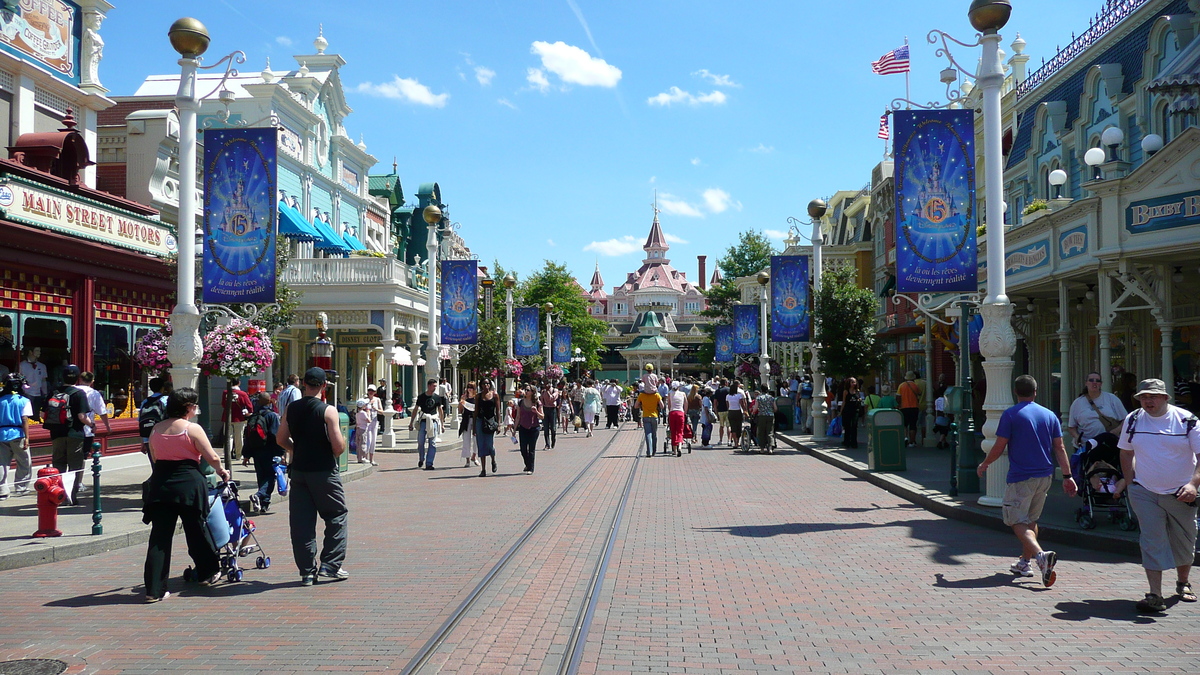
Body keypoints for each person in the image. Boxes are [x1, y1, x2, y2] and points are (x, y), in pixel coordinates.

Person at [976, 375, 1076, 588]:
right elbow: (1060, 447)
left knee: (1016, 521)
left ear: (1016, 392)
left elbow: (999, 445)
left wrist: (985, 463)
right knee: (1031, 520)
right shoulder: (1049, 415)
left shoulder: (1011, 415)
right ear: (1035, 391)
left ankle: (1041, 556)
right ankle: (1024, 563)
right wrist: (1067, 476)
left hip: (1022, 477)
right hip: (1045, 476)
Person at [1113, 378, 1200, 613]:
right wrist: (1131, 483)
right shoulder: (1133, 419)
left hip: (1181, 493)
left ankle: (1183, 583)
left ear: (1164, 398)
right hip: (1144, 490)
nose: (1147, 401)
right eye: (1142, 397)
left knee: (1185, 539)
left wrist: (1193, 484)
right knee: (1152, 540)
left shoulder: (1187, 420)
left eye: (1152, 396)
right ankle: (1155, 595)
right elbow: (1125, 451)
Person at [143, 387, 230, 602]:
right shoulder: (192, 429)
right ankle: (207, 572)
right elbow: (212, 457)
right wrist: (221, 471)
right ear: (189, 407)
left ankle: (154, 589)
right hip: (189, 483)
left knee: (160, 537)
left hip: (162, 483)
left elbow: (155, 457)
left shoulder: (156, 429)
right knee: (196, 530)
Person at [276, 367, 349, 586]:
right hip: (324, 471)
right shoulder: (328, 411)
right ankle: (330, 564)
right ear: (324, 386)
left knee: (301, 523)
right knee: (336, 515)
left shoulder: (292, 408)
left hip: (299, 471)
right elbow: (338, 447)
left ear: (304, 384)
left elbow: (280, 439)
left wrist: (294, 450)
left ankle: (307, 571)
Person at [46, 365, 91, 503]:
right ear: (78, 378)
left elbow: (43, 413)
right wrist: (92, 425)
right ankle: (71, 496)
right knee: (74, 466)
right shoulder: (78, 394)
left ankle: (58, 494)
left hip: (57, 433)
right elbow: (82, 416)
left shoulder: (53, 392)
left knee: (58, 464)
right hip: (75, 434)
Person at [243, 392, 283, 514]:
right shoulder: (272, 416)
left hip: (256, 451)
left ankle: (263, 504)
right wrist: (281, 453)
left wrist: (246, 455)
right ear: (269, 401)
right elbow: (275, 435)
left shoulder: (253, 416)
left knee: (261, 477)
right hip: (269, 451)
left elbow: (248, 437)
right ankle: (260, 496)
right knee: (270, 477)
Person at [1067, 371, 1127, 448]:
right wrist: (1077, 436)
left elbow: (1126, 420)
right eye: (1091, 380)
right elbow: (1071, 427)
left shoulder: (1112, 399)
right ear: (1086, 383)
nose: (1094, 383)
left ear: (1101, 384)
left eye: (1097, 381)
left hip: (1109, 444)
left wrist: (1115, 431)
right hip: (1086, 445)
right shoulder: (1077, 403)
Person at [0, 374, 32, 498]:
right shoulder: (24, 400)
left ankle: (2, 490)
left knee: (2, 463)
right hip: (18, 434)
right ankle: (21, 487)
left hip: (1, 434)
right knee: (24, 461)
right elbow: (25, 419)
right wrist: (27, 437)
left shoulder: (0, 400)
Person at [409, 379, 447, 471]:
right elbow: (416, 409)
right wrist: (411, 422)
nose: (435, 388)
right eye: (433, 386)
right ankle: (422, 458)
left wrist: (442, 424)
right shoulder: (421, 397)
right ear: (429, 386)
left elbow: (440, 411)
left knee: (432, 443)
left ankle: (429, 463)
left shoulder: (437, 397)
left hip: (433, 421)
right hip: (423, 421)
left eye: (435, 386)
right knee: (421, 442)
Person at [76, 371, 111, 445]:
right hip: (86, 430)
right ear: (92, 381)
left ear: (80, 379)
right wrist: (107, 426)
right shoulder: (94, 393)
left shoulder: (72, 390)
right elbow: (102, 412)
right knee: (84, 454)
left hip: (68, 430)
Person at [474, 380, 501, 477]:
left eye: (488, 383)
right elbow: (476, 411)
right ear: (481, 385)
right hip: (480, 421)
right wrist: (474, 427)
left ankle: (493, 460)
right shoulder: (478, 396)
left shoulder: (495, 395)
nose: (486, 385)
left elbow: (498, 410)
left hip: (490, 421)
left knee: (490, 445)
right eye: (484, 384)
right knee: (481, 445)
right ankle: (483, 469)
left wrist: (499, 424)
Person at [516, 385, 543, 474]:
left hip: (534, 428)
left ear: (532, 392)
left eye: (528, 390)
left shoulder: (537, 402)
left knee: (531, 449)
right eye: (525, 389)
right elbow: (518, 416)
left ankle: (531, 468)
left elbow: (542, 416)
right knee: (523, 449)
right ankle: (528, 464)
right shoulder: (521, 402)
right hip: (523, 427)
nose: (526, 391)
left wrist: (536, 412)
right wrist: (514, 428)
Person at [222, 383, 253, 461]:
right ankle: (239, 455)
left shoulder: (225, 392)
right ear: (239, 383)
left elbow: (223, 404)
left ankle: (227, 454)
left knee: (228, 437)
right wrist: (249, 412)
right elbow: (249, 406)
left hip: (227, 417)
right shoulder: (243, 394)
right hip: (239, 417)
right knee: (239, 437)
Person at [19, 347, 47, 423]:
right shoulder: (22, 365)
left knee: (36, 415)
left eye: (40, 350)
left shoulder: (42, 366)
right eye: (37, 350)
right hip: (26, 394)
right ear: (31, 352)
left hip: (38, 394)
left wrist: (45, 393)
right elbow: (19, 379)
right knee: (25, 415)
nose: (39, 352)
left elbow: (43, 381)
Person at [636, 383, 663, 458]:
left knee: (648, 434)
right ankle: (654, 450)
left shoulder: (641, 395)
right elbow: (662, 406)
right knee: (654, 434)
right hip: (654, 416)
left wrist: (642, 405)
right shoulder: (656, 395)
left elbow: (636, 405)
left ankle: (649, 451)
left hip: (645, 416)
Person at [899, 371, 921, 448]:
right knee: (913, 424)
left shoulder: (901, 386)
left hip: (904, 407)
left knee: (904, 424)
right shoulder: (915, 386)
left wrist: (899, 405)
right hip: (914, 407)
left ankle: (905, 437)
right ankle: (912, 441)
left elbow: (898, 396)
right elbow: (919, 394)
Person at [840, 377, 863, 449]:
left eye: (855, 382)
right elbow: (844, 401)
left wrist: (859, 400)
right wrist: (841, 411)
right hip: (847, 410)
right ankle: (846, 441)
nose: (854, 384)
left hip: (855, 410)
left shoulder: (857, 391)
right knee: (847, 426)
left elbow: (859, 399)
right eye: (852, 382)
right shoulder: (846, 391)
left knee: (854, 426)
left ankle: (854, 442)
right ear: (849, 383)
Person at [459, 382, 478, 467]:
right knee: (466, 440)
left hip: (475, 420)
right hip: (466, 420)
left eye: (472, 387)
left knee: (476, 440)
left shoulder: (477, 397)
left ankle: (474, 456)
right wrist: (461, 402)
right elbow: (460, 411)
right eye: (468, 387)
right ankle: (467, 460)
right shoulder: (464, 397)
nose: (470, 389)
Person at [666, 381, 687, 456]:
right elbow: (686, 404)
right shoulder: (683, 394)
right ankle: (680, 447)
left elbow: (669, 404)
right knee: (680, 431)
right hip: (680, 413)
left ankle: (674, 450)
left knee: (673, 431)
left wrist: (670, 411)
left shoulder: (669, 394)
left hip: (672, 413)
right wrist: (685, 412)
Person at [354, 397, 377, 466]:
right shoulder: (363, 413)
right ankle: (363, 458)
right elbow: (369, 420)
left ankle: (359, 457)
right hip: (363, 430)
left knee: (358, 444)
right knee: (363, 443)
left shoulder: (357, 413)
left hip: (358, 429)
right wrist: (369, 413)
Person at [754, 384, 776, 450]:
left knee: (761, 432)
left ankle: (762, 448)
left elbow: (755, 408)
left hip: (761, 416)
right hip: (770, 415)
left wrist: (753, 412)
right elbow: (775, 408)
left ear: (761, 389)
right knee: (770, 431)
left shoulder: (759, 398)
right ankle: (770, 447)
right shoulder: (771, 398)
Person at [726, 381, 747, 448]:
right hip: (738, 411)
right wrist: (745, 411)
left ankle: (735, 442)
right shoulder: (739, 396)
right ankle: (738, 440)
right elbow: (742, 404)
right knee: (739, 427)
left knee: (733, 428)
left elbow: (727, 405)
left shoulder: (727, 396)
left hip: (731, 412)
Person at [540, 380, 560, 449]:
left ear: (550, 384)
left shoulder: (555, 390)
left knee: (553, 428)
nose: (545, 386)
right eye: (544, 384)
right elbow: (541, 402)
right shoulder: (543, 392)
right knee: (546, 428)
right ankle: (547, 444)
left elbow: (552, 398)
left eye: (546, 384)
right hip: (545, 409)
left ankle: (553, 441)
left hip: (552, 410)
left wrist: (548, 392)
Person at [714, 378, 731, 446]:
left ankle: (720, 440)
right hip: (728, 410)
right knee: (728, 426)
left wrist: (716, 412)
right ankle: (729, 440)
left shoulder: (718, 391)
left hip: (720, 410)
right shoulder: (729, 390)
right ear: (726, 383)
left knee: (721, 426)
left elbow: (715, 402)